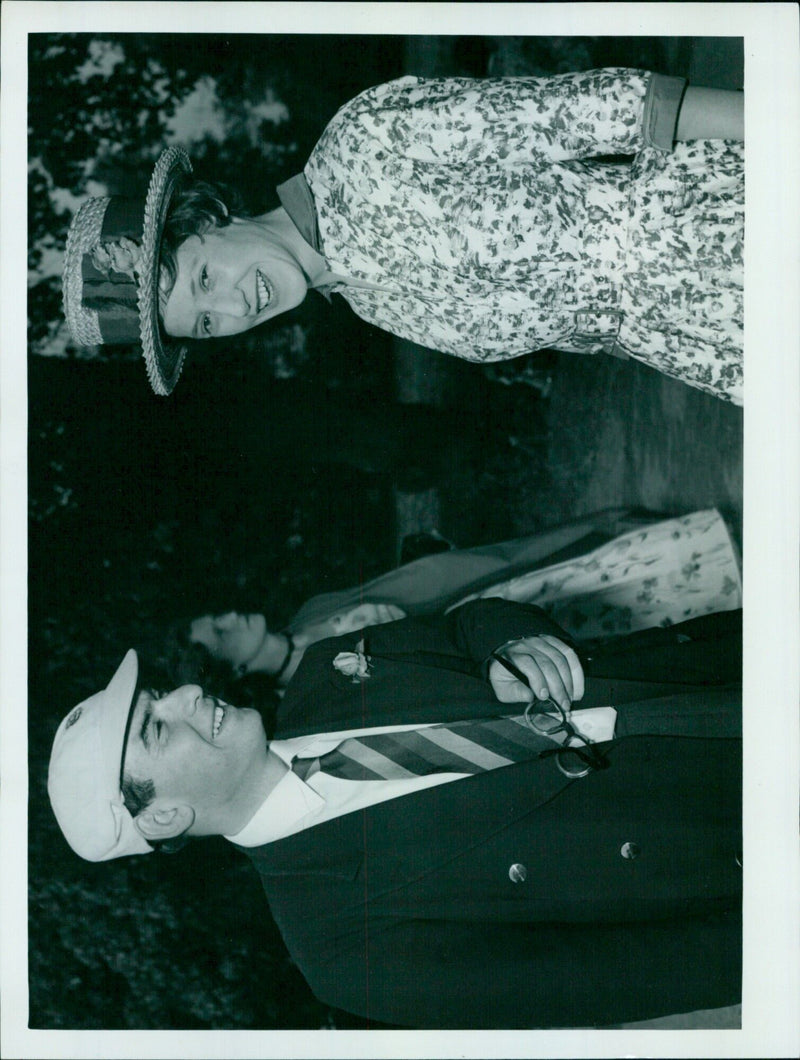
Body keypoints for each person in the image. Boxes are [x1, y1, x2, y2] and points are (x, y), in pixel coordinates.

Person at [48, 598, 742, 1028]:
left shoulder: (329, 667)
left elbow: (468, 621)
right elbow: (625, 974)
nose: (190, 693)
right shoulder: (343, 951)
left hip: (721, 671)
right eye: (158, 729)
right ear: (164, 818)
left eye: (162, 695)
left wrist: (512, 642)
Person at [62, 70, 743, 401]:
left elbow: (615, 107)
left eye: (206, 280)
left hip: (719, 225)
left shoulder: (364, 144)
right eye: (206, 324)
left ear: (209, 219)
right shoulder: (367, 304)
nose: (237, 308)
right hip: (702, 343)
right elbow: (585, 326)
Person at [179, 508, 742, 694]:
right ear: (232, 666)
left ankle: (721, 562)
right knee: (613, 623)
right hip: (483, 637)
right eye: (222, 630)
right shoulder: (316, 681)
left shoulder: (305, 616)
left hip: (482, 590)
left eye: (220, 613)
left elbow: (397, 588)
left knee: (593, 570)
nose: (233, 615)